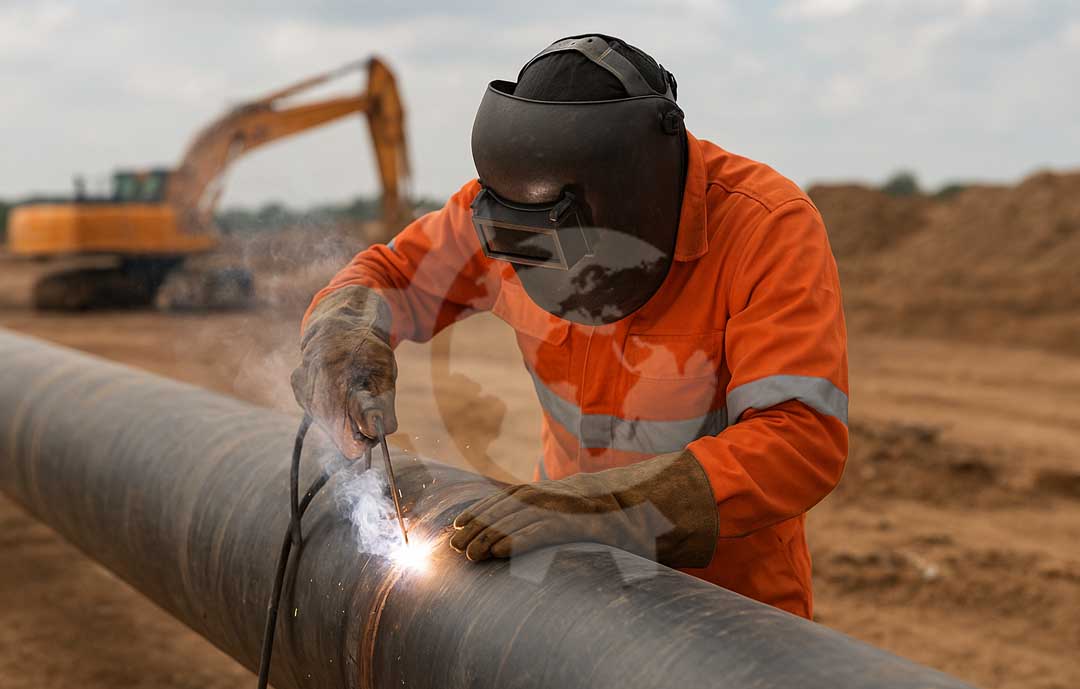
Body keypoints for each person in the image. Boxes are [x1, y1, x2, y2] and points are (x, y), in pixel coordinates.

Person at [291, 34, 848, 619]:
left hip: (728, 606)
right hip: (566, 579)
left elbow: (799, 439)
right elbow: (389, 274)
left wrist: (609, 507)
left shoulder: (766, 229)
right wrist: (342, 335)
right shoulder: (508, 214)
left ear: (636, 203)